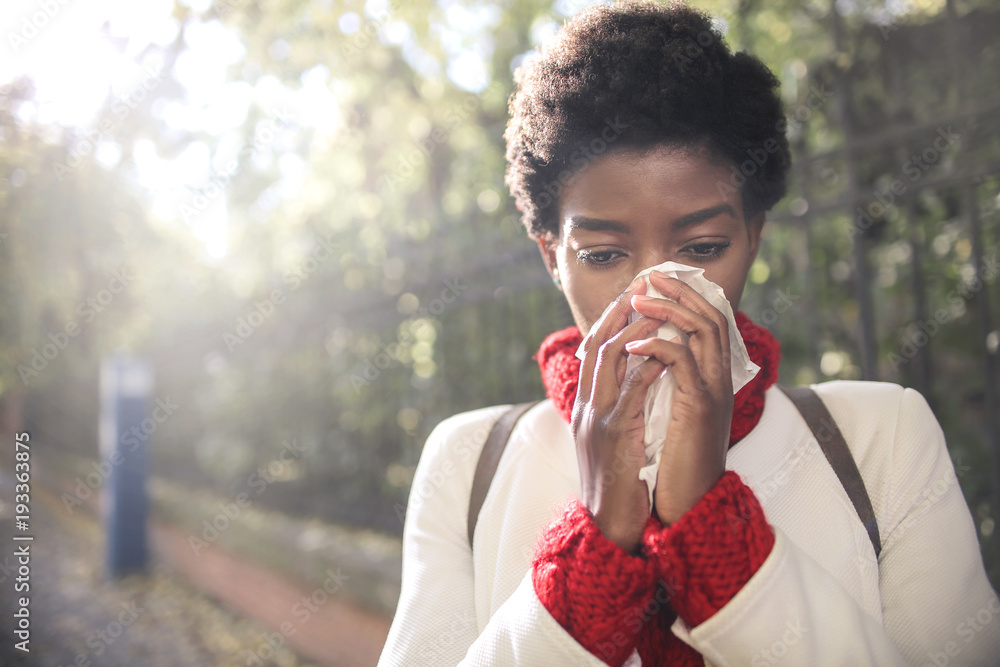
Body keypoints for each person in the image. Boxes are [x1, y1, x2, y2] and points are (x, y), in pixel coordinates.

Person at [377, 1, 1000, 665]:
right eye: (602, 254)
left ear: (752, 238)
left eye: (702, 246)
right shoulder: (471, 459)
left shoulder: (881, 437)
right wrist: (593, 551)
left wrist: (715, 531)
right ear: (550, 256)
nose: (653, 293)